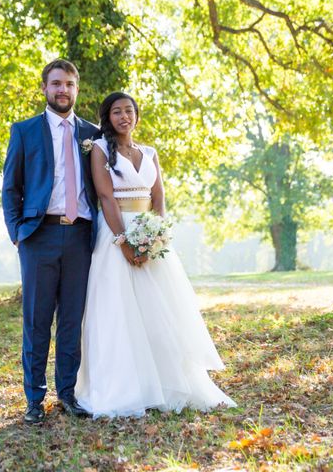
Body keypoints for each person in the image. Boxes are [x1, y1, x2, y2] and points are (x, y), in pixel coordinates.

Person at [75, 92, 236, 417]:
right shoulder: (101, 150)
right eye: (117, 112)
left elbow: (158, 196)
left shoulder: (149, 152)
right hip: (116, 231)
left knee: (161, 310)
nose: (124, 117)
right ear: (108, 117)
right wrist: (124, 242)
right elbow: (106, 198)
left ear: (136, 116)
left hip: (150, 232)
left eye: (129, 111)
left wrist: (157, 235)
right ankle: (127, 387)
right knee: (120, 311)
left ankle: (165, 383)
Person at [2, 59, 98, 423]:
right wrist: (17, 235)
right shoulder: (25, 131)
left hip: (80, 237)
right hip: (38, 236)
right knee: (37, 321)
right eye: (56, 83)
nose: (63, 90)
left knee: (72, 320)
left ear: (77, 89)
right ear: (44, 88)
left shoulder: (93, 134)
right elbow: (11, 187)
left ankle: (68, 395)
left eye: (70, 84)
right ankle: (33, 399)